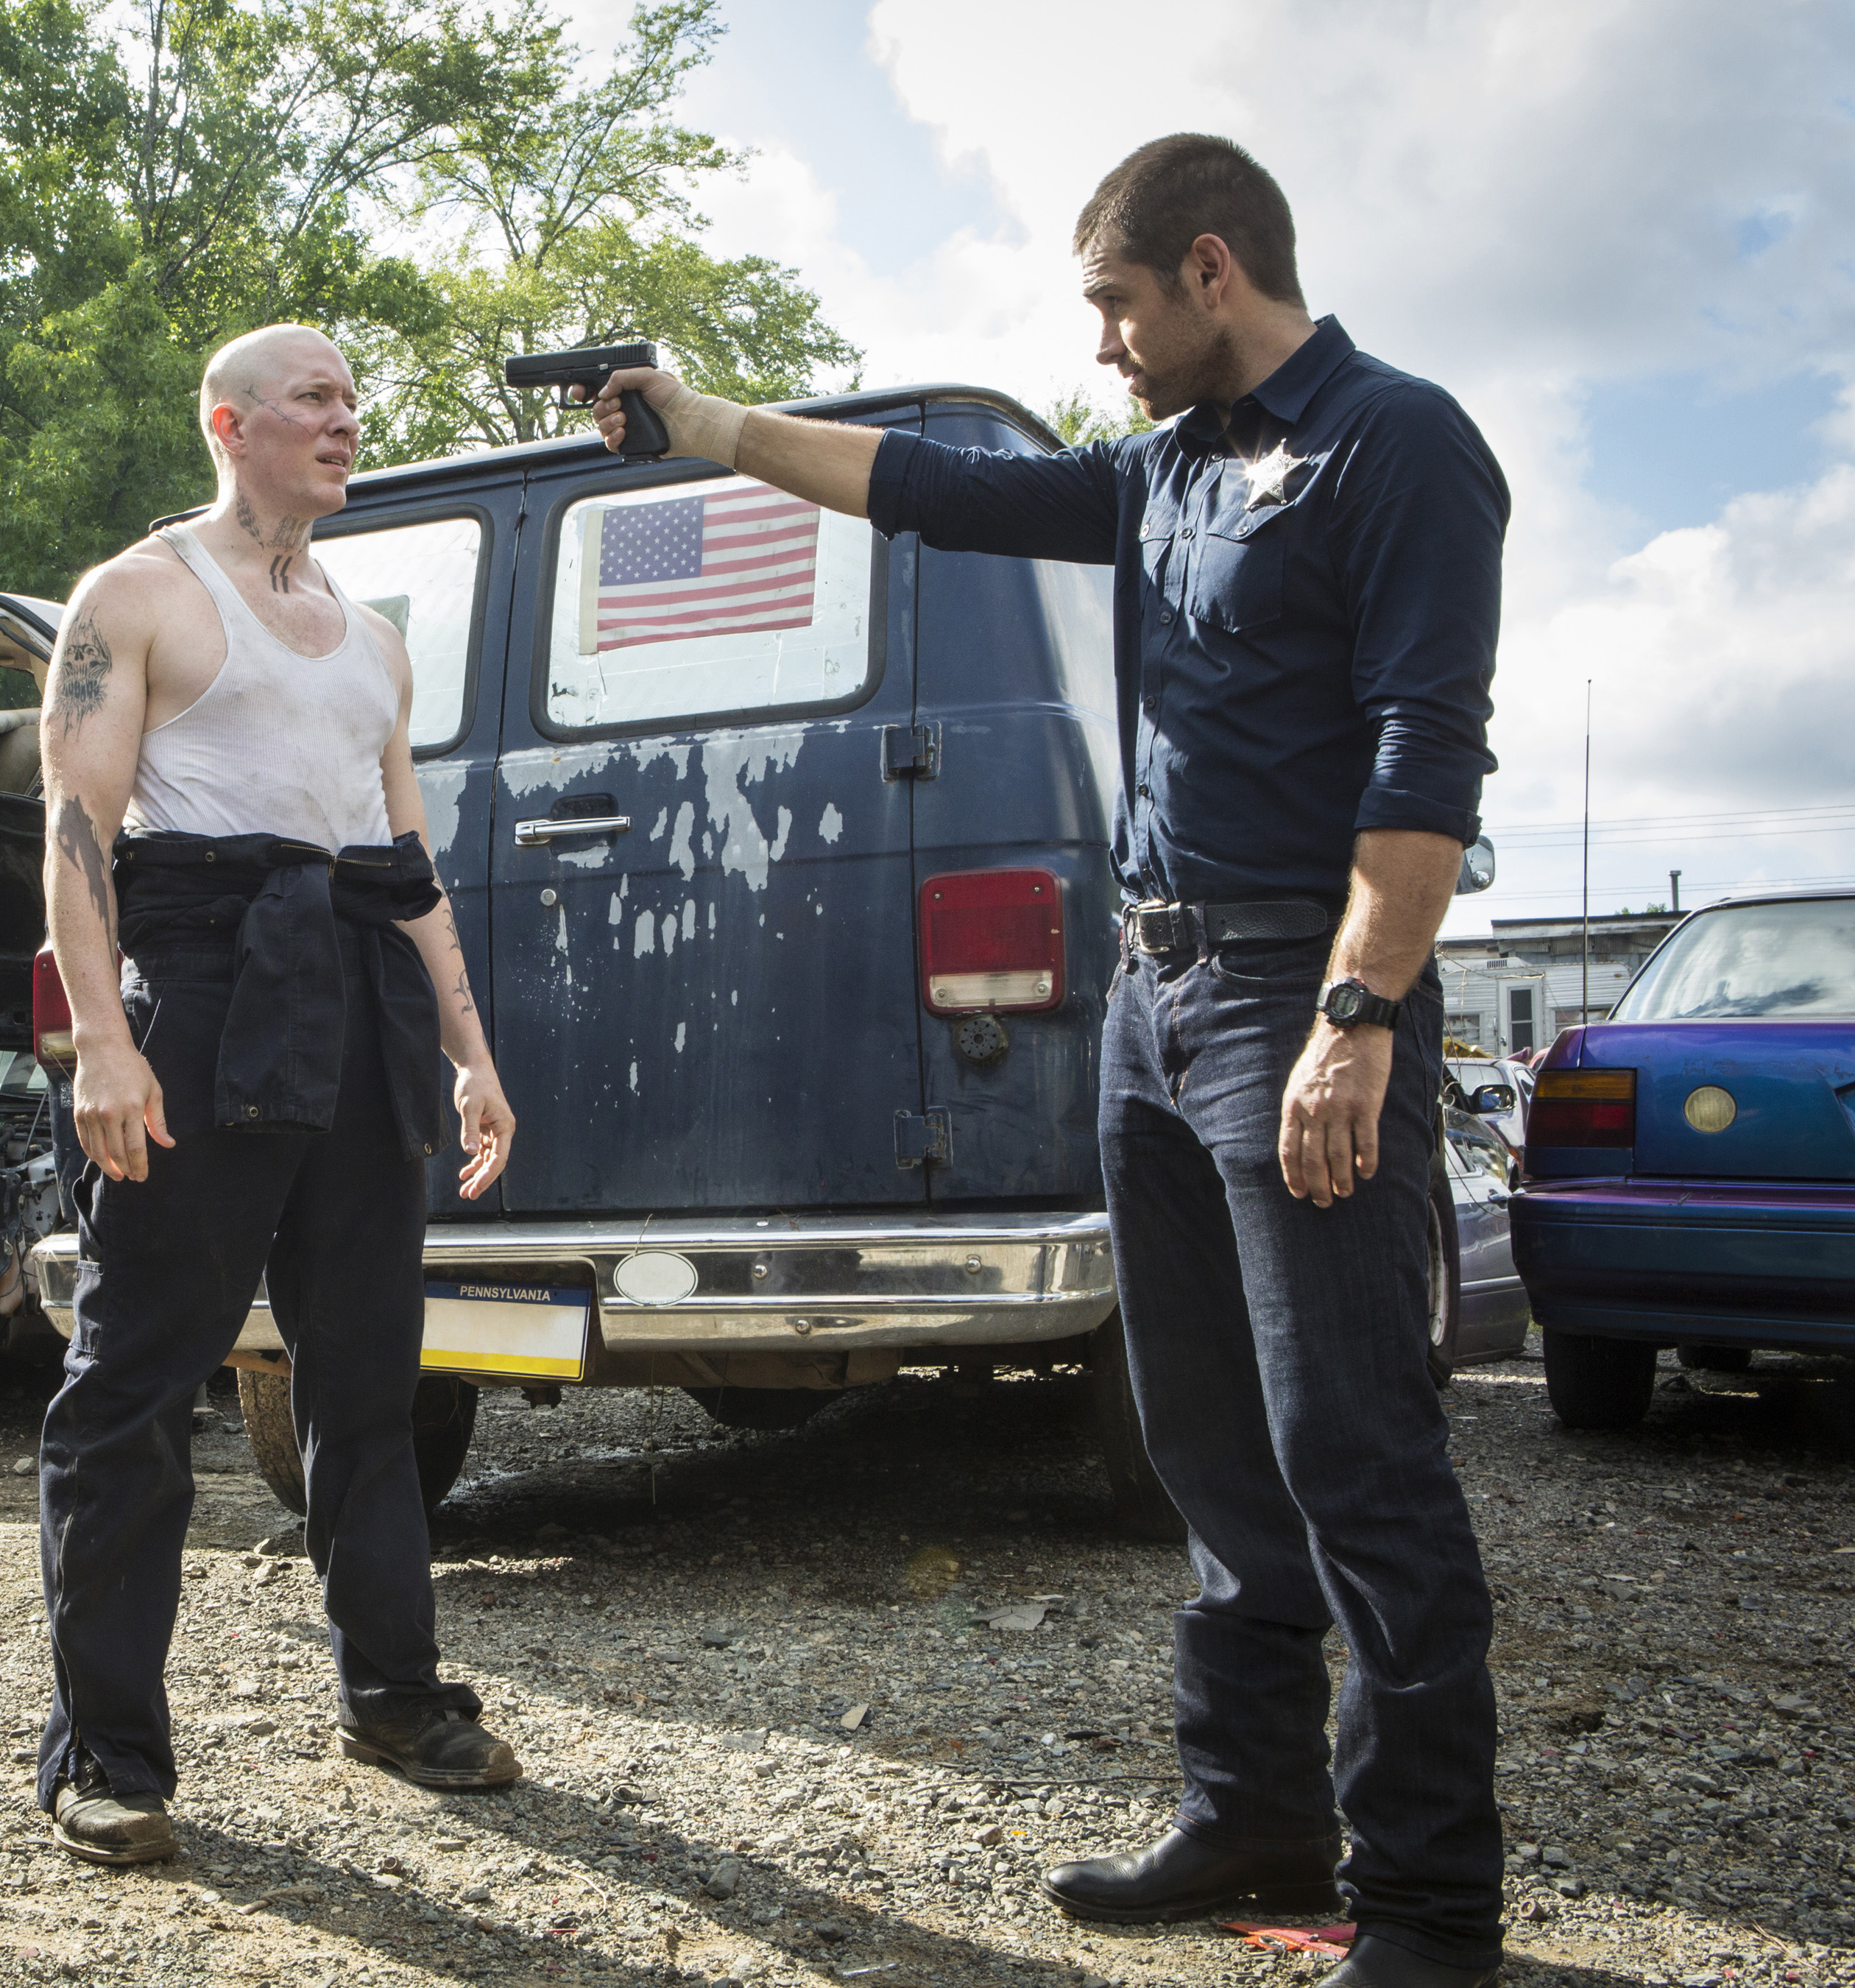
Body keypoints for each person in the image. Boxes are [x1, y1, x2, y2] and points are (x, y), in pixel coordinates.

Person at [588, 135, 1507, 1988]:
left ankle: (1429, 1907)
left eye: (1117, 306)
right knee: (1203, 1438)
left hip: (1298, 996)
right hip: (1152, 1001)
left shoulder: (1396, 443)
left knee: (1353, 1446)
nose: (1103, 346)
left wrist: (1358, 1017)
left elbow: (1428, 752)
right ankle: (1255, 1811)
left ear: (1213, 268)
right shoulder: (1165, 469)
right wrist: (703, 424)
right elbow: (926, 488)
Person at [30, 322, 523, 1866]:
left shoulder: (371, 637)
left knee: (369, 1376)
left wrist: (469, 1051)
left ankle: (394, 1697)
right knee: (135, 1381)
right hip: (199, 995)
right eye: (314, 397)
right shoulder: (138, 596)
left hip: (359, 998)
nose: (345, 417)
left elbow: (403, 858)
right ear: (228, 424)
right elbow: (74, 826)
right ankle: (107, 1757)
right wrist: (102, 1041)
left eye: (352, 398)